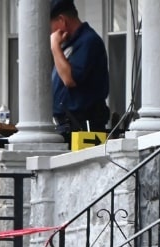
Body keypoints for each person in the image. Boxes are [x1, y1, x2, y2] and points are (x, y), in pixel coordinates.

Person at [49, 0, 110, 142]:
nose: (51, 33)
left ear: (62, 20)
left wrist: (54, 47)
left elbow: (69, 79)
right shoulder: (70, 44)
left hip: (83, 126)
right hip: (66, 125)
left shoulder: (88, 41)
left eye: (51, 27)